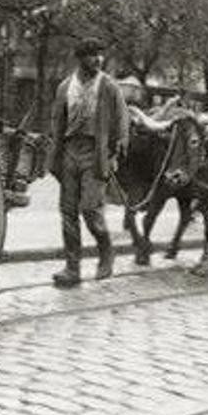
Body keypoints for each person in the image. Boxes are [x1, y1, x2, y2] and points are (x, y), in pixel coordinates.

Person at [47, 37, 129, 288]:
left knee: (90, 209)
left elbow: (122, 118)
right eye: (92, 55)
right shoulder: (64, 87)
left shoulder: (109, 86)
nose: (98, 59)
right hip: (69, 152)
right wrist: (55, 155)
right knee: (68, 212)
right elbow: (56, 122)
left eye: (100, 54)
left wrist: (117, 149)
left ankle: (106, 252)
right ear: (81, 58)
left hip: (96, 153)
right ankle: (72, 268)